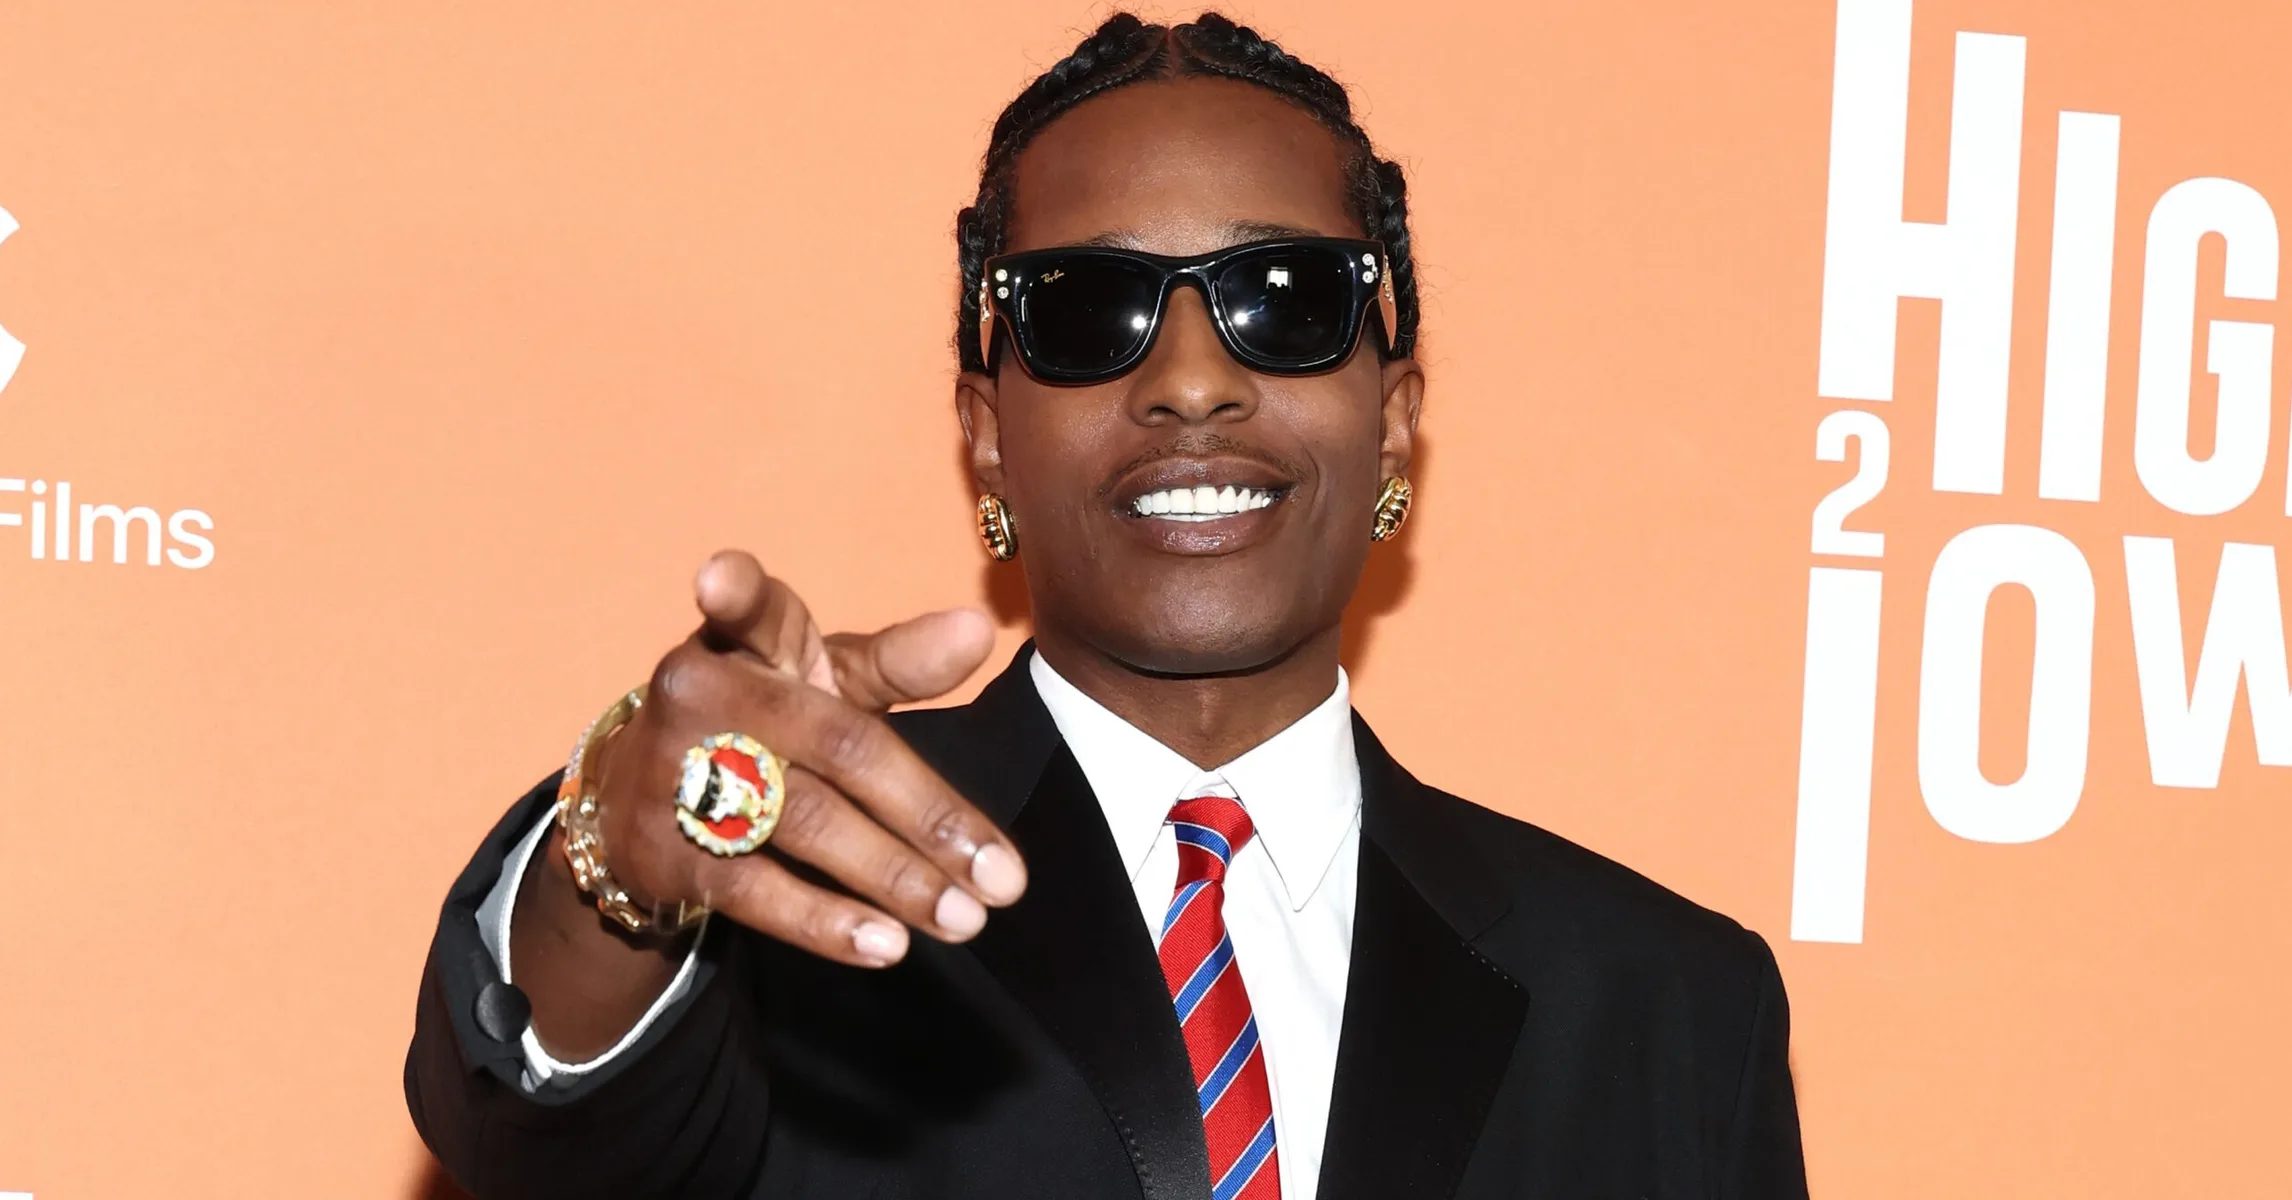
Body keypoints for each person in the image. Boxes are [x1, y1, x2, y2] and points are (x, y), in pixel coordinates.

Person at [405, 12, 1809, 1199]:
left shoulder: (1669, 1005)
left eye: (1285, 297)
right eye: (1087, 310)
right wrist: (623, 876)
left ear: (1396, 422)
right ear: (987, 436)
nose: (1190, 382)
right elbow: (534, 1132)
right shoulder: (787, 882)